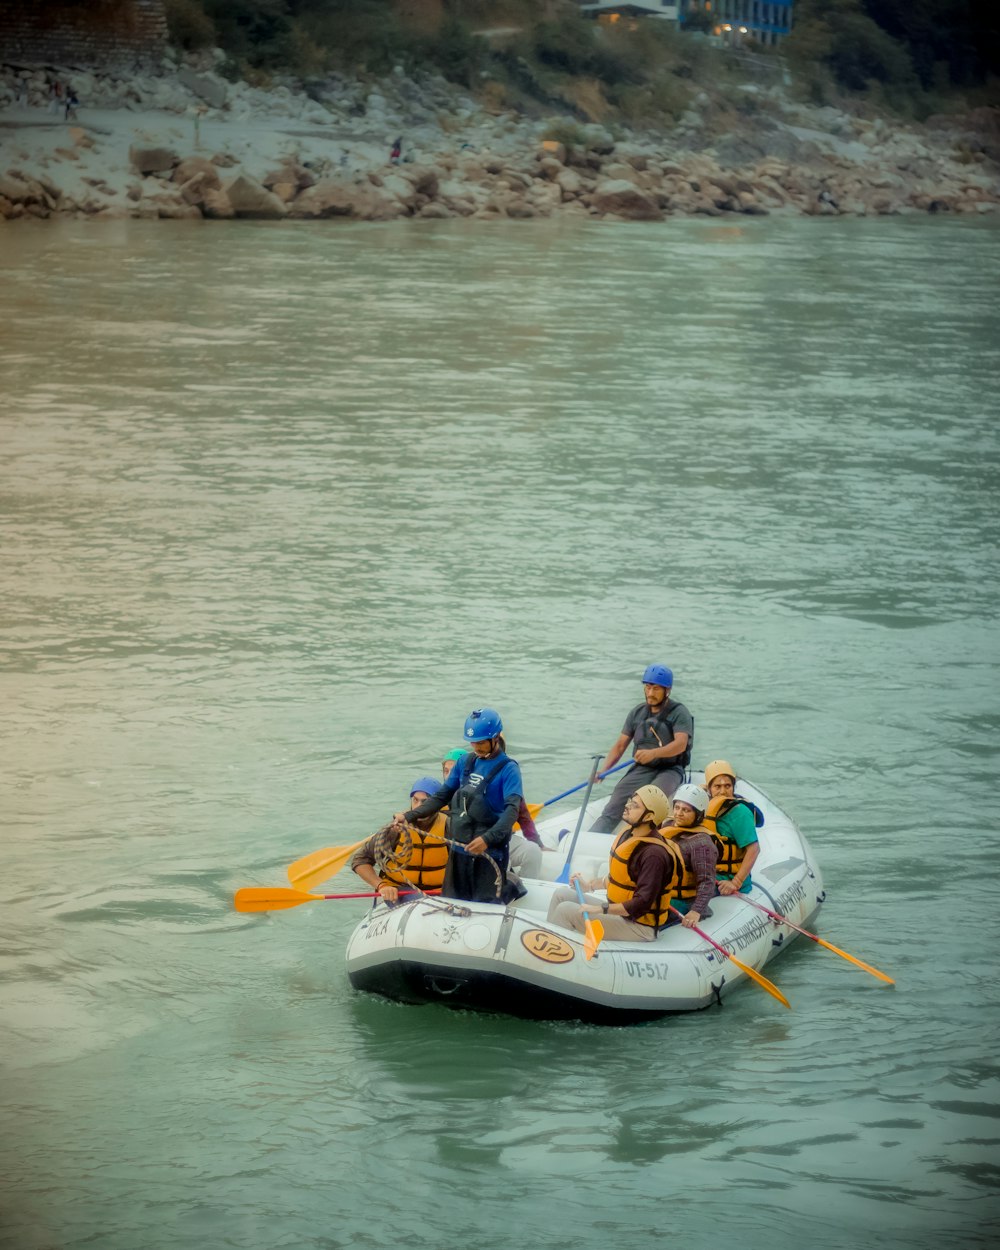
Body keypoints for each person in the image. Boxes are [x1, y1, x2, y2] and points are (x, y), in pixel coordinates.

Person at [396, 708, 523, 904]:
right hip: (458, 854)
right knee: (453, 907)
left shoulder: (509, 769)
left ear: (495, 737)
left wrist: (487, 839)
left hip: (489, 856)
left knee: (484, 910)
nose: (476, 747)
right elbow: (441, 796)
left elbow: (511, 811)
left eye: (481, 742)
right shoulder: (465, 761)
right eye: (473, 742)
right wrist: (410, 816)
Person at [547, 785, 680, 941]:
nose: (627, 806)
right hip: (620, 915)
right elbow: (620, 878)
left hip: (638, 927)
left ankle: (551, 954)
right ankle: (544, 943)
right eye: (630, 801)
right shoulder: (630, 834)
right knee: (561, 894)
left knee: (566, 910)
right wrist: (588, 886)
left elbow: (642, 903)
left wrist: (601, 909)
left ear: (649, 816)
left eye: (635, 805)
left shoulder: (654, 855)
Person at [589, 664, 694, 833]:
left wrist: (653, 753)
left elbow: (680, 744)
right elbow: (620, 745)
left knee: (649, 800)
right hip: (642, 769)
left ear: (667, 690)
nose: (650, 693)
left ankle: (640, 841)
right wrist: (603, 770)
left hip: (670, 770)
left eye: (656, 689)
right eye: (648, 687)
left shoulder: (679, 712)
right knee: (615, 805)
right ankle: (590, 838)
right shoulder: (637, 713)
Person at [442, 742, 545, 878]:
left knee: (532, 851)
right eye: (446, 771)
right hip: (463, 846)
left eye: (453, 770)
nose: (449, 775)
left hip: (497, 840)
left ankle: (523, 889)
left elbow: (523, 815)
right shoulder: (441, 795)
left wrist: (537, 842)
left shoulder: (496, 786)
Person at [351, 777, 449, 903]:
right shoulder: (395, 829)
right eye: (415, 800)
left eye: (425, 802)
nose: (418, 806)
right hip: (400, 891)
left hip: (440, 892)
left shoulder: (450, 827)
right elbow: (360, 860)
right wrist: (381, 886)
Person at [656, 783, 718, 928]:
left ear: (698, 814)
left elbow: (707, 881)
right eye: (677, 808)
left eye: (686, 810)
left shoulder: (702, 843)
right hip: (661, 892)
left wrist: (696, 911)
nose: (678, 813)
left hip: (683, 900)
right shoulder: (668, 825)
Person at [701, 759, 761, 897]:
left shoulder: (740, 812)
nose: (723, 791)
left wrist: (736, 882)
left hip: (727, 879)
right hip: (708, 875)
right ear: (709, 789)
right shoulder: (703, 808)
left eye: (727, 786)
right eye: (717, 786)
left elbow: (754, 849)